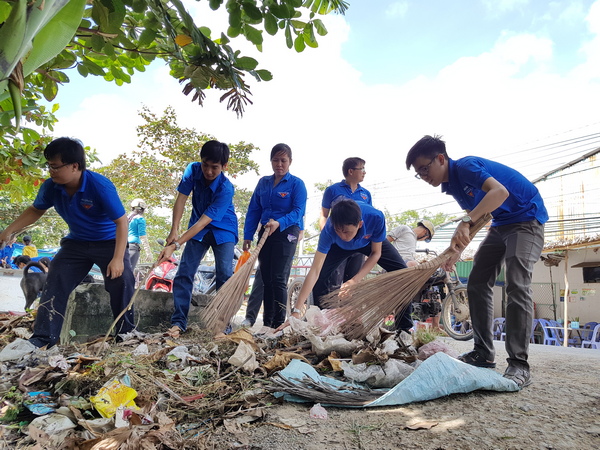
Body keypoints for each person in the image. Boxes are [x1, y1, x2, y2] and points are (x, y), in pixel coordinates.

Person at [406, 135, 547, 388]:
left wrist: (465, 221)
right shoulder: (452, 186)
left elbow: (500, 192)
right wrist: (457, 250)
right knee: (478, 282)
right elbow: (480, 217)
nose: (424, 176)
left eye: (425, 168)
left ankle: (519, 364)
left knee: (517, 284)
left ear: (441, 158)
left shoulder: (465, 166)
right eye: (419, 173)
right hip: (501, 224)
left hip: (526, 219)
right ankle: (483, 353)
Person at [0, 137, 135, 348]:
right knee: (55, 279)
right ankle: (43, 339)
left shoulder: (100, 186)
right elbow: (35, 210)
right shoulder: (51, 187)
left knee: (122, 280)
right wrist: (8, 230)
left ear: (74, 166)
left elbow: (121, 222)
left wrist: (118, 259)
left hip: (109, 242)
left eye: (55, 166)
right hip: (76, 244)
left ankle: (126, 336)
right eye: (49, 166)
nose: (51, 171)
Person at [283, 199, 410, 331]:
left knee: (403, 272)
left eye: (346, 231)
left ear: (360, 224)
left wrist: (355, 280)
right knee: (321, 278)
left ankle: (404, 329)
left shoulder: (376, 218)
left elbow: (376, 253)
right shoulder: (329, 231)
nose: (343, 236)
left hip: (368, 242)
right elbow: (315, 270)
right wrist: (296, 311)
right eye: (338, 230)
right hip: (338, 247)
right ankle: (323, 325)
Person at [158, 140, 238, 338]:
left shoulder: (226, 189)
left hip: (223, 229)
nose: (208, 171)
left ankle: (223, 326)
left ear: (224, 166)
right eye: (205, 165)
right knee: (184, 272)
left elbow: (203, 223)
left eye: (214, 167)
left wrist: (177, 244)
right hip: (197, 228)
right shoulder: (192, 170)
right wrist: (174, 230)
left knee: (224, 275)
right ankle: (178, 323)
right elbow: (181, 199)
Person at [244, 143, 306, 330]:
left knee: (278, 277)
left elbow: (298, 211)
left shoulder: (297, 184)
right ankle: (267, 323)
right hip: (265, 233)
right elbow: (254, 210)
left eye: (283, 160)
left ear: (290, 162)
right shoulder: (263, 183)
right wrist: (248, 235)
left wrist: (279, 223)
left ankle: (279, 324)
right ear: (271, 161)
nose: (279, 164)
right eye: (276, 160)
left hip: (287, 232)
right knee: (267, 278)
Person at [319, 157, 372, 292]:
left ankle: (349, 307)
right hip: (338, 243)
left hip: (358, 245)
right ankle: (330, 306)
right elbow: (324, 215)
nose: (364, 172)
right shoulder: (332, 190)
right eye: (362, 169)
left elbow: (368, 220)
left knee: (353, 286)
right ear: (351, 171)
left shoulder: (366, 194)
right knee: (334, 284)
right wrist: (327, 235)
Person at [127, 198, 152, 270]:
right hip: (133, 247)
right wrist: (148, 252)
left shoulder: (127, 219)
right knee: (129, 272)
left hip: (123, 247)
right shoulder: (140, 219)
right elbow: (142, 236)